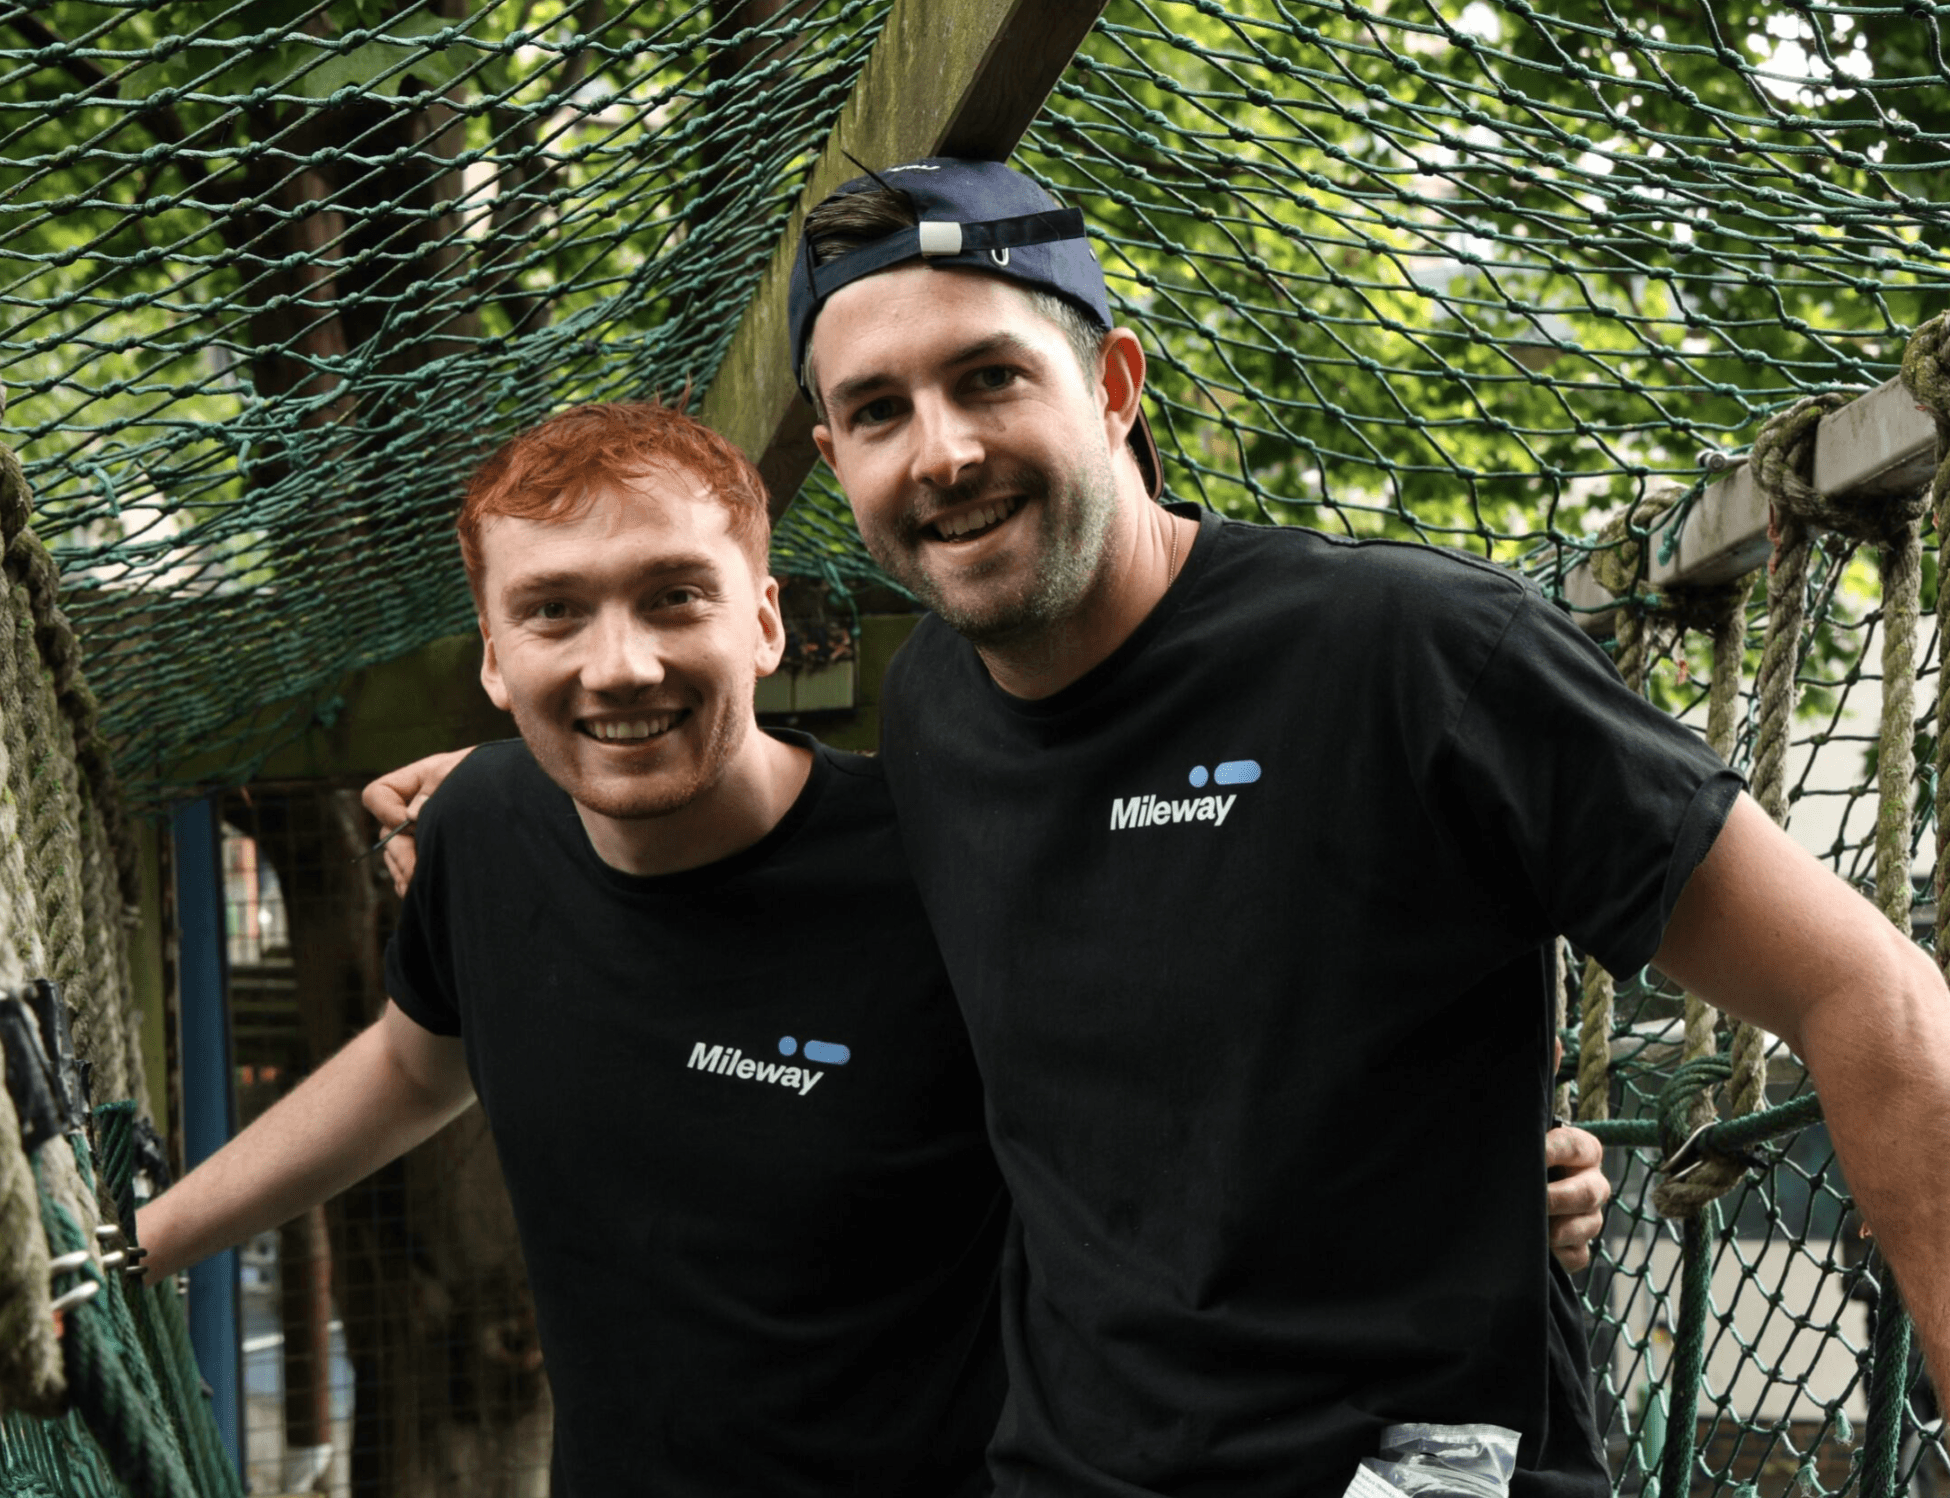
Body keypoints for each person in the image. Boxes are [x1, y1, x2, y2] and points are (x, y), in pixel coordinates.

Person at [783, 157, 1950, 1496]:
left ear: (1111, 386)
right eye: (879, 410)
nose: (941, 449)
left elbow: (1864, 986)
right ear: (833, 457)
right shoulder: (928, 706)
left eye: (988, 376)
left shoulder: (1408, 651)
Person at [136, 403, 1010, 1495]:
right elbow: (416, 1062)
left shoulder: (946, 869)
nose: (621, 666)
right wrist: (135, 1250)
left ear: (767, 624)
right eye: (555, 612)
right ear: (496, 660)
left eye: (675, 596)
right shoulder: (482, 826)